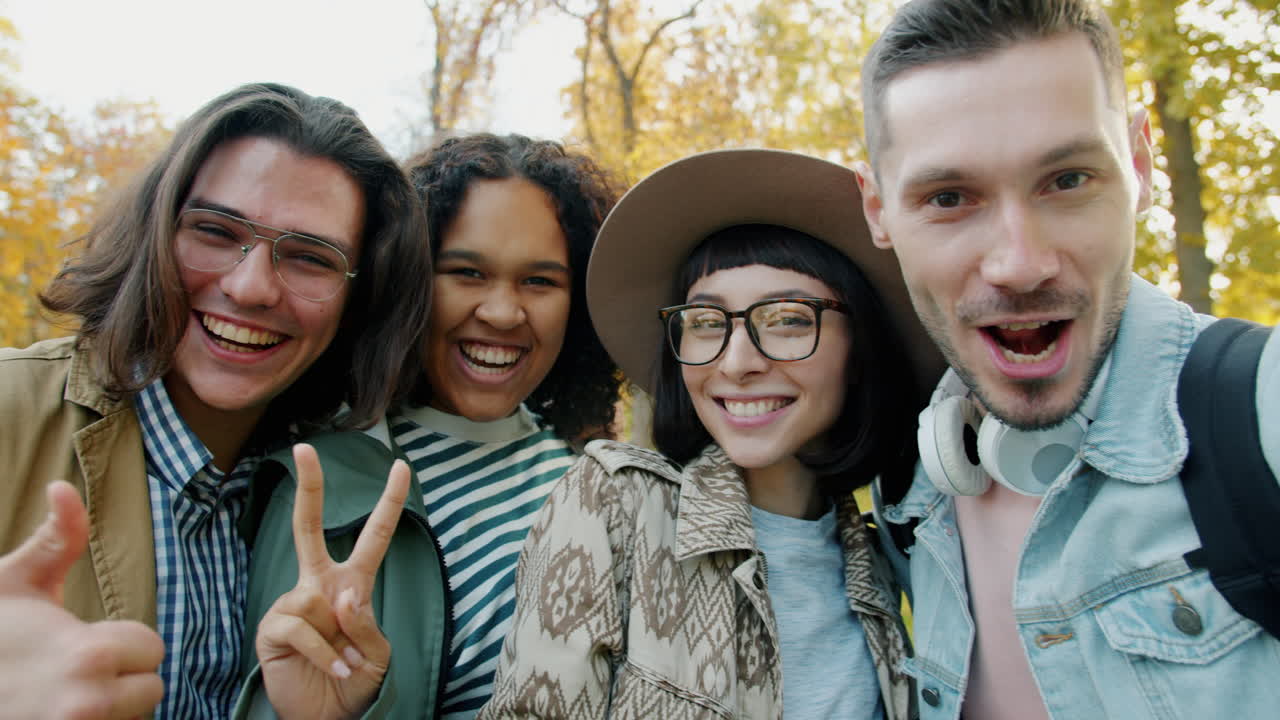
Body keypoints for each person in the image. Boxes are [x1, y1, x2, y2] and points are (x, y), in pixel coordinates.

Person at [852, 1, 1280, 718]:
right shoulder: (906, 486)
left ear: (1139, 165)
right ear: (877, 211)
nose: (1019, 265)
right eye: (950, 197)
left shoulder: (1260, 410)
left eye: (1068, 179)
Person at [0, 82, 431, 720]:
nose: (251, 286)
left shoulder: (323, 492)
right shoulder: (11, 412)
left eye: (311, 258)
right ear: (156, 230)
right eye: (215, 230)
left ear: (358, 299)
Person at [477, 148, 945, 720]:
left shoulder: (886, 561)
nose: (737, 362)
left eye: (789, 318)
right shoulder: (616, 505)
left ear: (862, 342)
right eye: (706, 323)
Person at [240, 133, 623, 719]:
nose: (501, 312)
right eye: (467, 272)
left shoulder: (600, 481)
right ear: (410, 280)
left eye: (540, 281)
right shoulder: (321, 486)